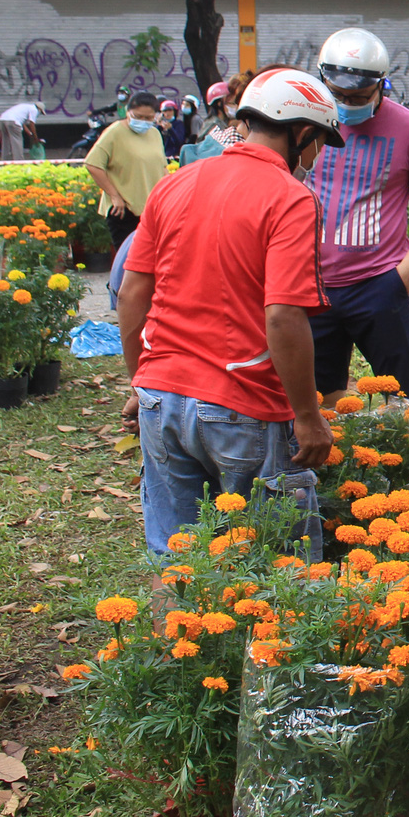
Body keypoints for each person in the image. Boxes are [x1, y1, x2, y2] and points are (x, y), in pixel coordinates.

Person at [117, 65, 342, 554]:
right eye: (319, 142)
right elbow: (283, 315)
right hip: (243, 406)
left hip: (160, 398)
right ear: (301, 132)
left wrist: (140, 381)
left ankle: (184, 631)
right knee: (277, 565)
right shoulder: (291, 198)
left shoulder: (177, 183)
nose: (317, 154)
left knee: (179, 559)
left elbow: (132, 293)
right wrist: (307, 415)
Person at [304, 27, 409, 459]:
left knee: (406, 397)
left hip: (378, 285)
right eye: (338, 95)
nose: (347, 105)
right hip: (314, 286)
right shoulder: (307, 126)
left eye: (358, 96)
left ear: (380, 86)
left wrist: (403, 274)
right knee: (323, 400)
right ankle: (336, 483)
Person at [84, 91, 169, 248]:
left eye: (148, 118)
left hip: (152, 210)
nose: (143, 121)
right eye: (138, 116)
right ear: (128, 112)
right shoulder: (115, 131)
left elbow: (162, 168)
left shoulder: (155, 133)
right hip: (123, 210)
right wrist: (115, 196)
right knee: (128, 263)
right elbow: (93, 164)